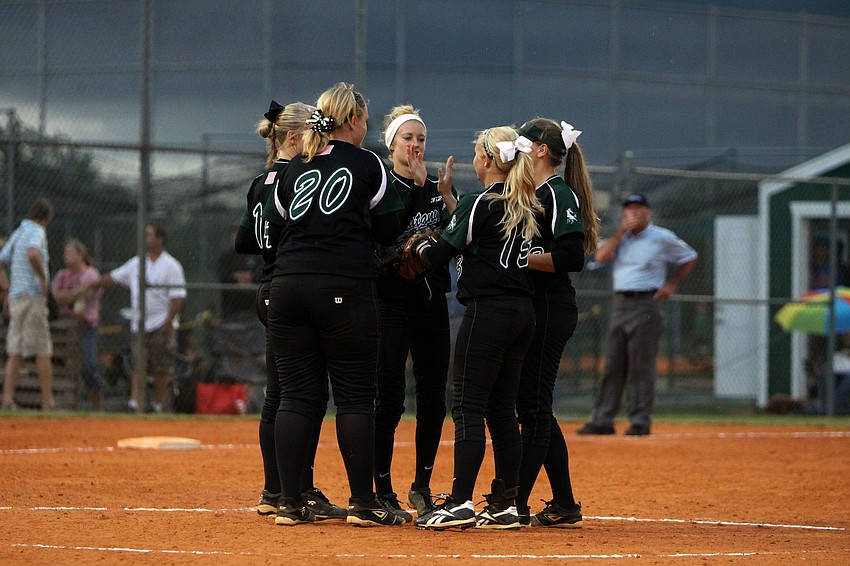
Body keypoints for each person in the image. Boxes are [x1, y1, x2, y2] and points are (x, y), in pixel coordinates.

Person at [265, 82, 405, 527]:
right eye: (365, 119)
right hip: (342, 286)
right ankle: (363, 502)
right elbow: (390, 230)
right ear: (354, 121)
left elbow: (279, 222)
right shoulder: (368, 163)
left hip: (286, 286)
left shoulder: (295, 164)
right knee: (355, 397)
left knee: (297, 397)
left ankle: (289, 502)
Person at [412, 126, 541, 531]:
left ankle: (460, 500)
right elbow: (478, 235)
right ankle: (505, 504)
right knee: (502, 409)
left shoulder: (479, 202)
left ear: (486, 160)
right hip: (522, 312)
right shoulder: (525, 202)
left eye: (476, 152)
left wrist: (417, 246)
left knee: (467, 405)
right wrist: (451, 201)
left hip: (488, 312)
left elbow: (441, 253)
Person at [236, 100, 346, 521]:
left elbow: (243, 243)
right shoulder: (298, 178)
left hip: (268, 289)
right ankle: (295, 490)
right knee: (306, 397)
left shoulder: (261, 180)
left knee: (278, 397)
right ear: (296, 138)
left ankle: (274, 489)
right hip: (293, 290)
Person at [513, 118, 598, 528]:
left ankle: (515, 501)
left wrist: (520, 260)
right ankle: (564, 502)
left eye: (523, 144)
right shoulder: (535, 191)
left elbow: (571, 258)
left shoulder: (558, 192)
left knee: (532, 406)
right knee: (535, 406)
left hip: (551, 306)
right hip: (537, 305)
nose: (517, 149)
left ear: (542, 151)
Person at [373, 104, 456, 520]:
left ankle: (422, 486)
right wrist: (418, 191)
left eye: (421, 138)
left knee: (432, 396)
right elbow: (390, 238)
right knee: (388, 397)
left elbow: (452, 239)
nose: (416, 145)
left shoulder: (434, 186)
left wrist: (440, 196)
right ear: (393, 145)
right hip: (390, 301)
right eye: (408, 138)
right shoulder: (382, 183)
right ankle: (382, 489)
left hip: (430, 300)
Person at [577, 193, 697, 436]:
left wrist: (671, 284)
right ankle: (603, 419)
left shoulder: (661, 237)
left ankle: (640, 420)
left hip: (646, 303)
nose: (633, 213)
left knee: (640, 365)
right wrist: (620, 232)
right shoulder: (620, 237)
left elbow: (689, 256)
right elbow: (600, 257)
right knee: (612, 364)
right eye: (629, 209)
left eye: (638, 209)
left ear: (648, 213)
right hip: (620, 303)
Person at [93, 224, 187, 413]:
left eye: (149, 235)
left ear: (160, 239)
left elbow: (177, 298)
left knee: (162, 367)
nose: (145, 238)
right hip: (140, 325)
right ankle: (134, 403)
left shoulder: (171, 265)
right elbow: (113, 277)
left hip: (162, 324)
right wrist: (91, 283)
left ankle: (157, 405)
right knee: (138, 364)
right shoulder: (137, 263)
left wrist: (168, 324)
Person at [0, 198, 55, 410]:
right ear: (46, 218)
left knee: (16, 349)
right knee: (42, 348)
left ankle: (7, 399)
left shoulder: (18, 232)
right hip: (32, 296)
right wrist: (42, 277)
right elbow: (33, 253)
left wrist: (9, 289)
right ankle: (47, 401)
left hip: (16, 297)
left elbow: (1, 260)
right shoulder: (37, 231)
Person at [51, 239, 105, 411]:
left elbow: (85, 295)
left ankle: (98, 408)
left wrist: (66, 295)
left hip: (85, 328)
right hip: (64, 329)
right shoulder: (61, 275)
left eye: (70, 252)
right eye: (65, 252)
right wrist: (75, 293)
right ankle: (65, 408)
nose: (65, 256)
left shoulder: (91, 274)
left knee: (88, 367)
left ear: (80, 254)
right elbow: (55, 298)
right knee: (62, 368)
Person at [217, 226, 262, 320]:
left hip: (256, 310)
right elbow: (223, 276)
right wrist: (243, 277)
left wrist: (252, 276)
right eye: (235, 233)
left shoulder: (259, 255)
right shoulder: (226, 257)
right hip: (231, 311)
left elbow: (263, 274)